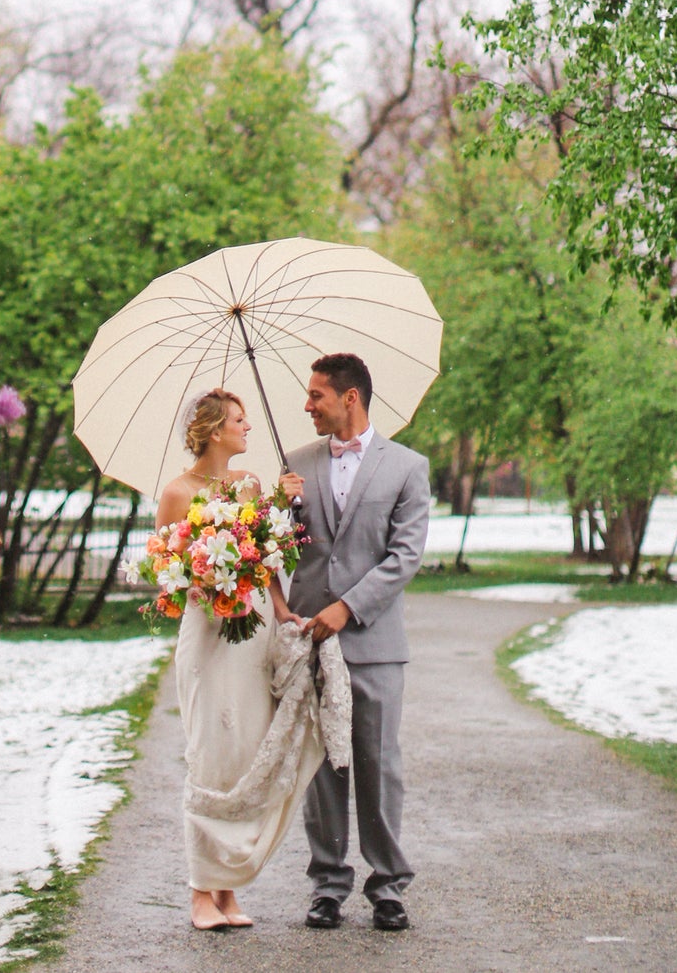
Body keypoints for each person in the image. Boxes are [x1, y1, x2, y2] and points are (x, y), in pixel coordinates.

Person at [280, 350, 429, 933]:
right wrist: (275, 509)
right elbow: (280, 554)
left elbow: (404, 556)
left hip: (375, 642)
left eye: (316, 394)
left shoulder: (407, 467)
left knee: (377, 763)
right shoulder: (295, 464)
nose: (307, 405)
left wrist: (349, 607)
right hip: (311, 638)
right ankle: (327, 886)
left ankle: (388, 887)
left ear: (351, 397)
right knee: (322, 768)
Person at [156, 388, 306, 932]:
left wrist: (284, 610)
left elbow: (267, 560)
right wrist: (210, 575)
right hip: (209, 633)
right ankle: (200, 891)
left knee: (244, 753)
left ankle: (227, 889)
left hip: (256, 627)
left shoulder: (249, 487)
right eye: (240, 421)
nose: (249, 428)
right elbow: (166, 578)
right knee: (210, 754)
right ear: (215, 430)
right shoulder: (176, 494)